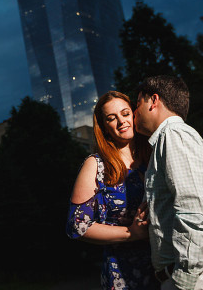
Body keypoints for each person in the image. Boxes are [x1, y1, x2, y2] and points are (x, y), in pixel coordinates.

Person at [134, 75, 203, 290]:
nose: (135, 111)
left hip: (200, 277)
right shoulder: (170, 138)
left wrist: (184, 279)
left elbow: (194, 209)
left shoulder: (174, 134)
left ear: (154, 101)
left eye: (138, 102)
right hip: (200, 274)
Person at [66, 91, 160, 290]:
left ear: (134, 115)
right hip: (125, 274)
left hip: (165, 266)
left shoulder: (154, 156)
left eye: (125, 114)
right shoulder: (96, 165)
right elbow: (77, 226)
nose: (121, 122)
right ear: (104, 128)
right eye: (111, 118)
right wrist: (131, 233)